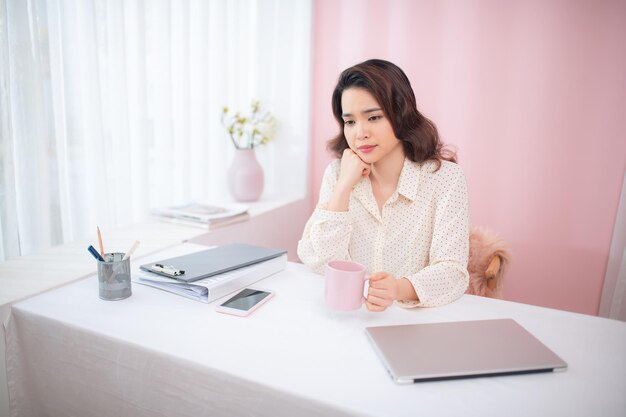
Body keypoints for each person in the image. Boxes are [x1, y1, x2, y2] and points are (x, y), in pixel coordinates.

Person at [297, 59, 469, 311]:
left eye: (374, 117)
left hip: (413, 324)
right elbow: (317, 259)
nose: (360, 133)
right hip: (346, 320)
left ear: (401, 115)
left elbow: (453, 272)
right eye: (350, 122)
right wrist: (344, 186)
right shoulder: (338, 173)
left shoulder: (445, 179)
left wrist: (398, 289)